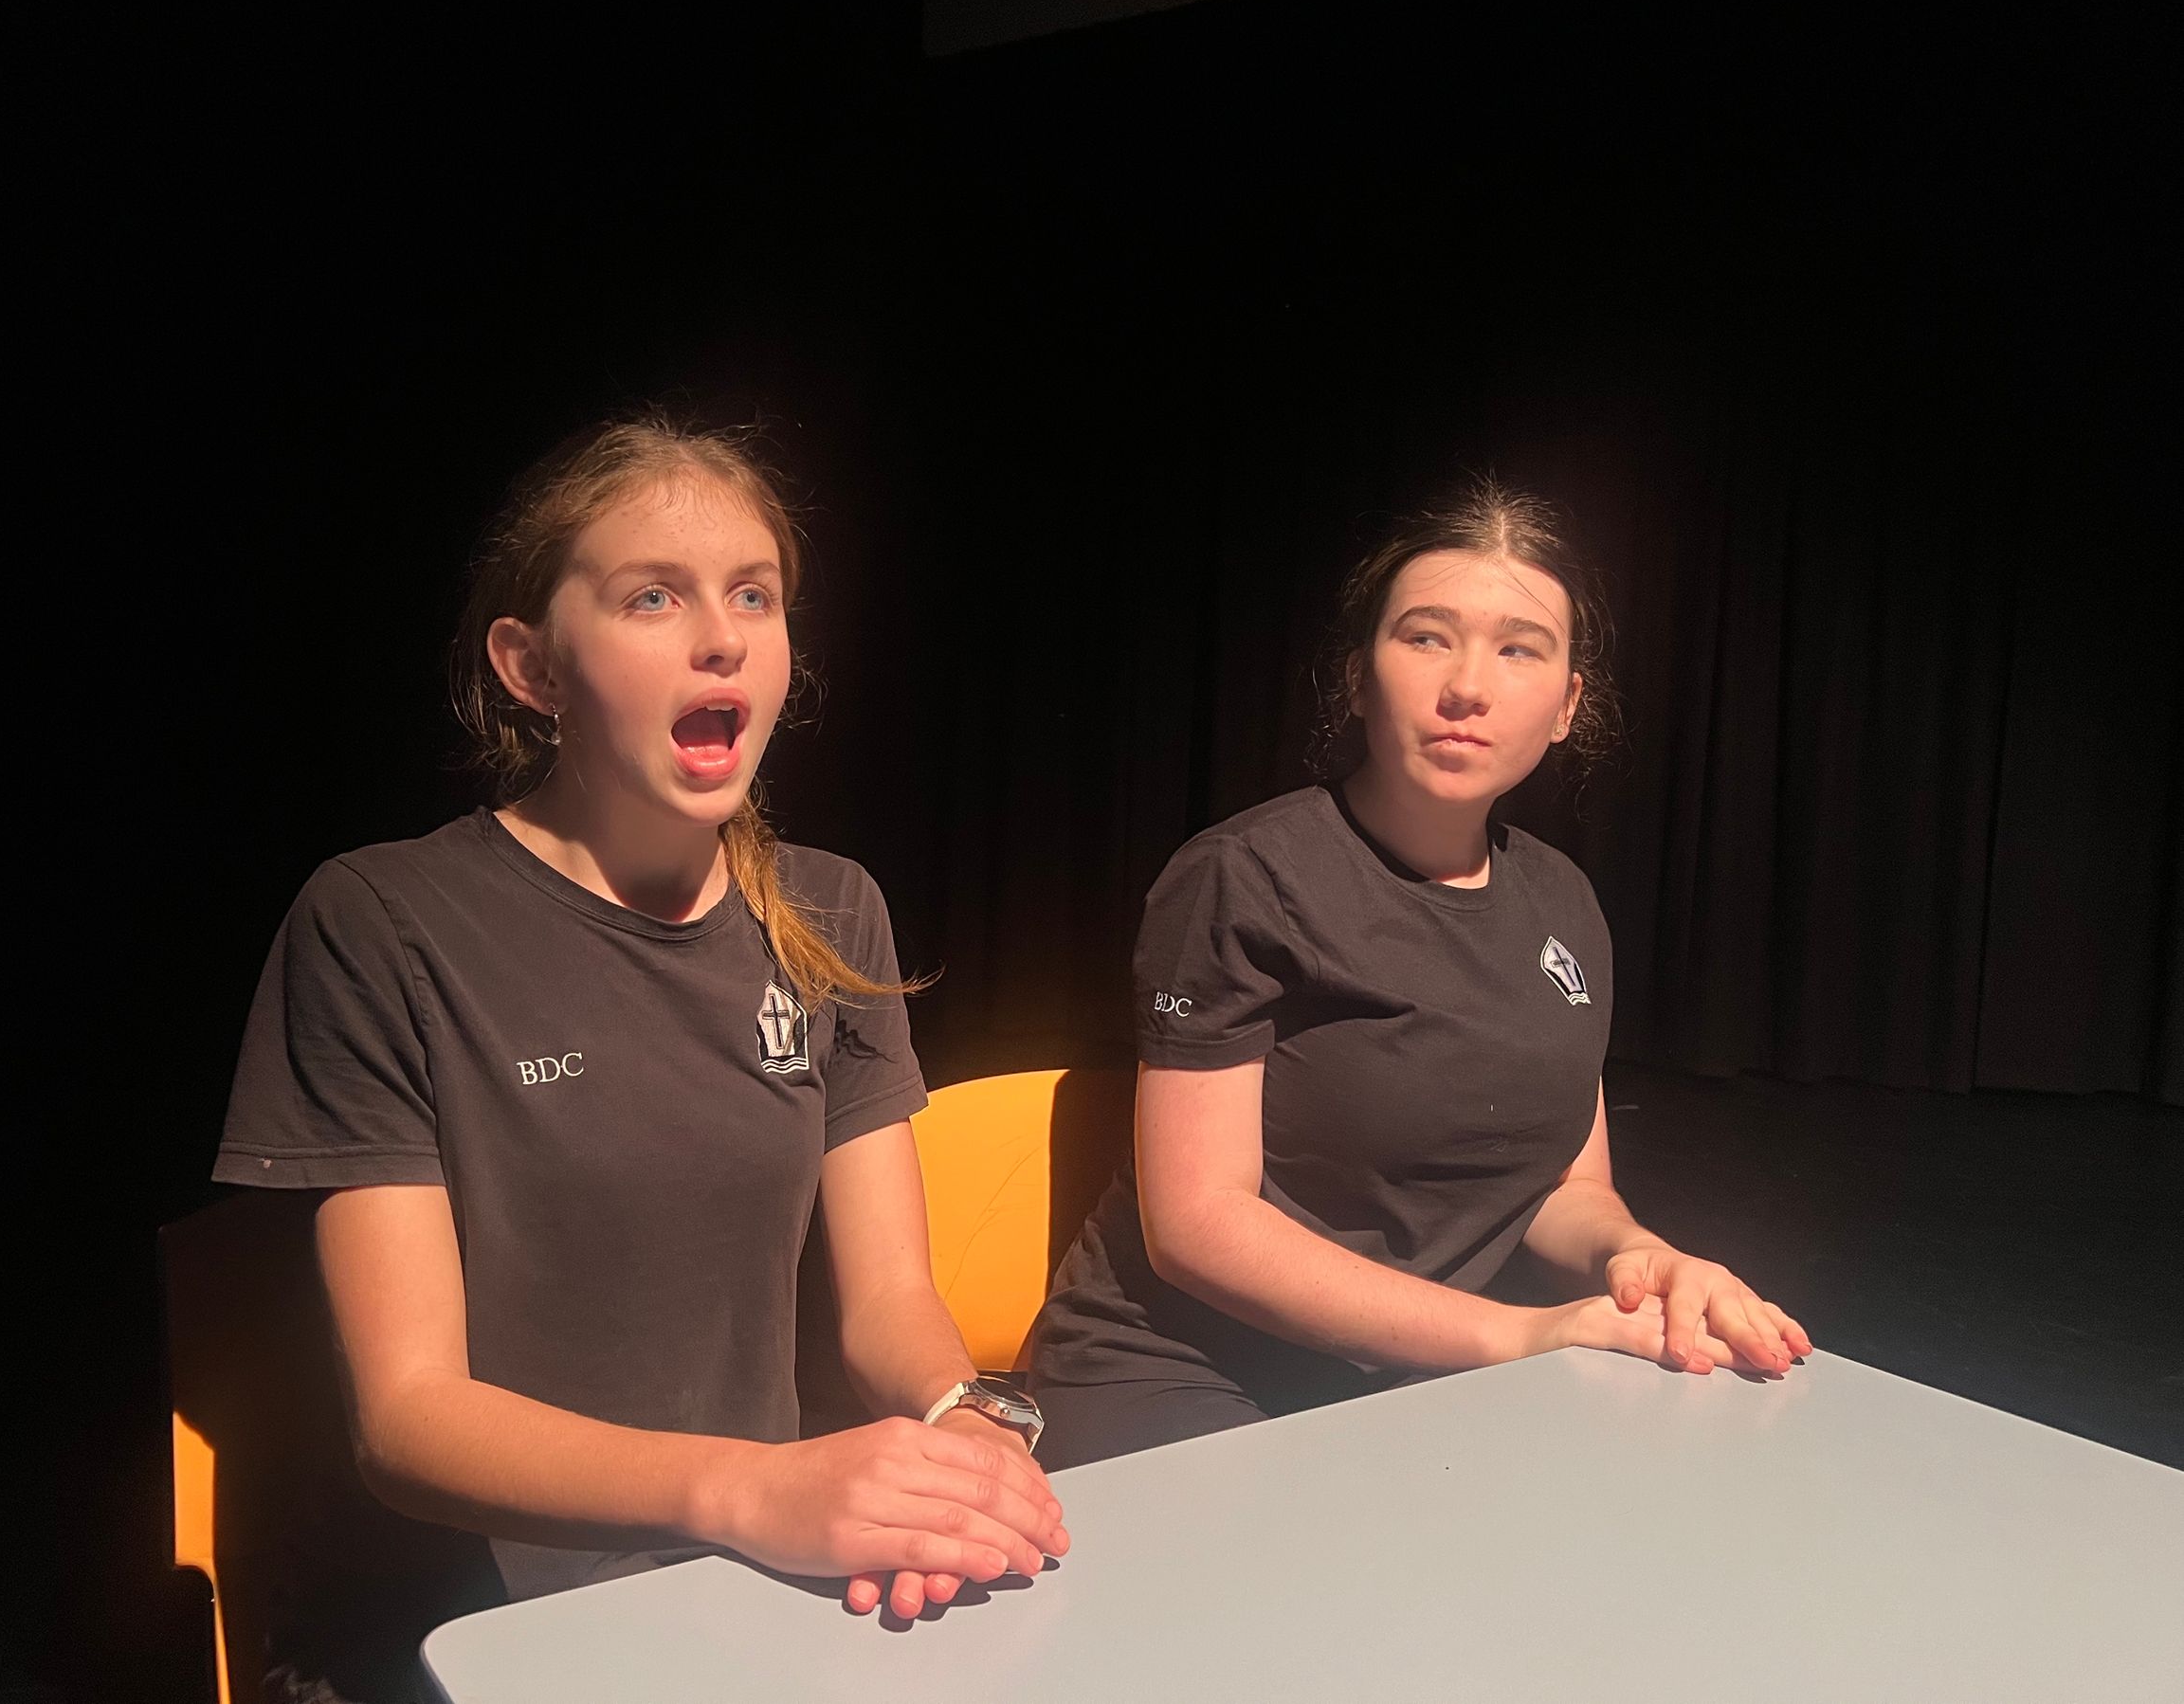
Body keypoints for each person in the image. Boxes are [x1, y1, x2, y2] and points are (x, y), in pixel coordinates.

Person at [215, 418, 1066, 1693]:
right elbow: (409, 1416)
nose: (722, 636)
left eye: (753, 594)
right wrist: (756, 1489)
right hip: (470, 1622)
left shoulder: (830, 909)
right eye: (652, 596)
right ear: (532, 666)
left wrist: (963, 1421)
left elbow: (891, 1300)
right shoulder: (381, 922)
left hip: (742, 1577)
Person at [1026, 481, 1811, 1469]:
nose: (1467, 686)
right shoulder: (1245, 876)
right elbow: (1197, 1226)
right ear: (1359, 678)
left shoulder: (1564, 902)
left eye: (1519, 649)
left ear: (1567, 705)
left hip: (1421, 1376)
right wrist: (1521, 1336)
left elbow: (1560, 1186)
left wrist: (1638, 1256)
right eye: (1427, 637)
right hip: (1188, 1368)